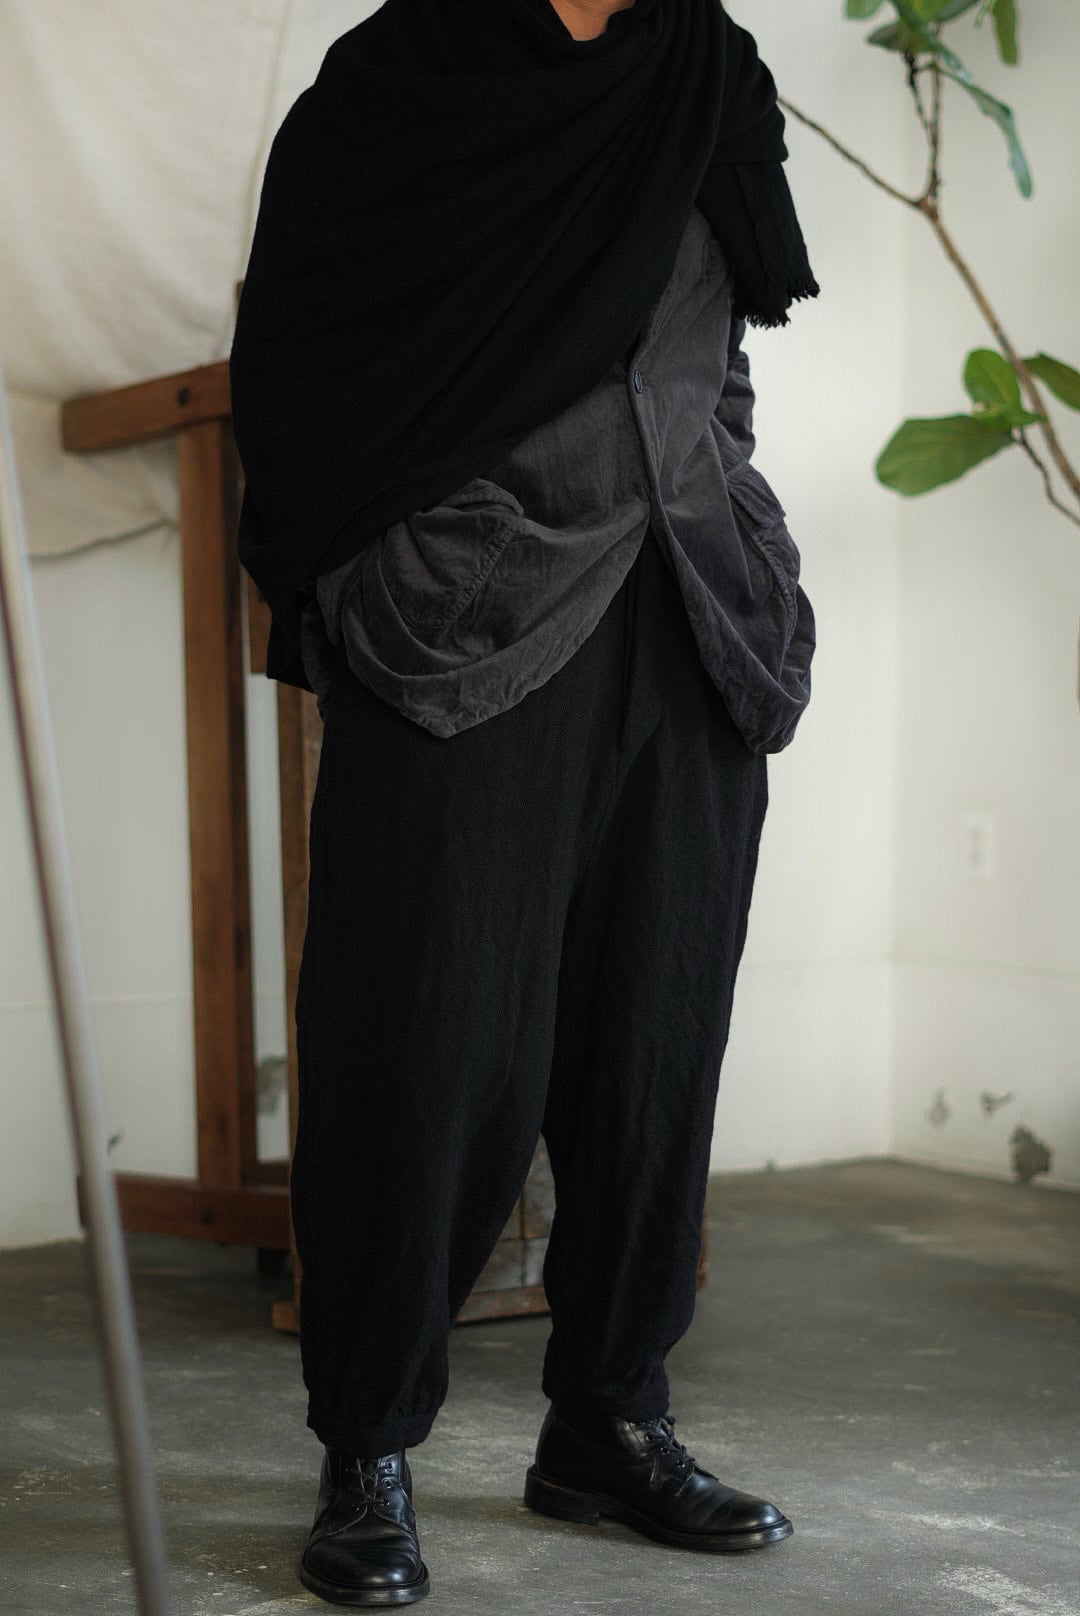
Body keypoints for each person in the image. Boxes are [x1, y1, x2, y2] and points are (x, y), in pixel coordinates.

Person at [229, 0, 821, 1604]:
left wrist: (739, 521)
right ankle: (368, 1445)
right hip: (468, 620)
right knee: (424, 1049)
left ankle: (609, 1421)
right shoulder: (400, 81)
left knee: (653, 1043)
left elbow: (720, 337)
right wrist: (376, 576)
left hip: (691, 609)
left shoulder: (709, 65)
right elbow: (301, 368)